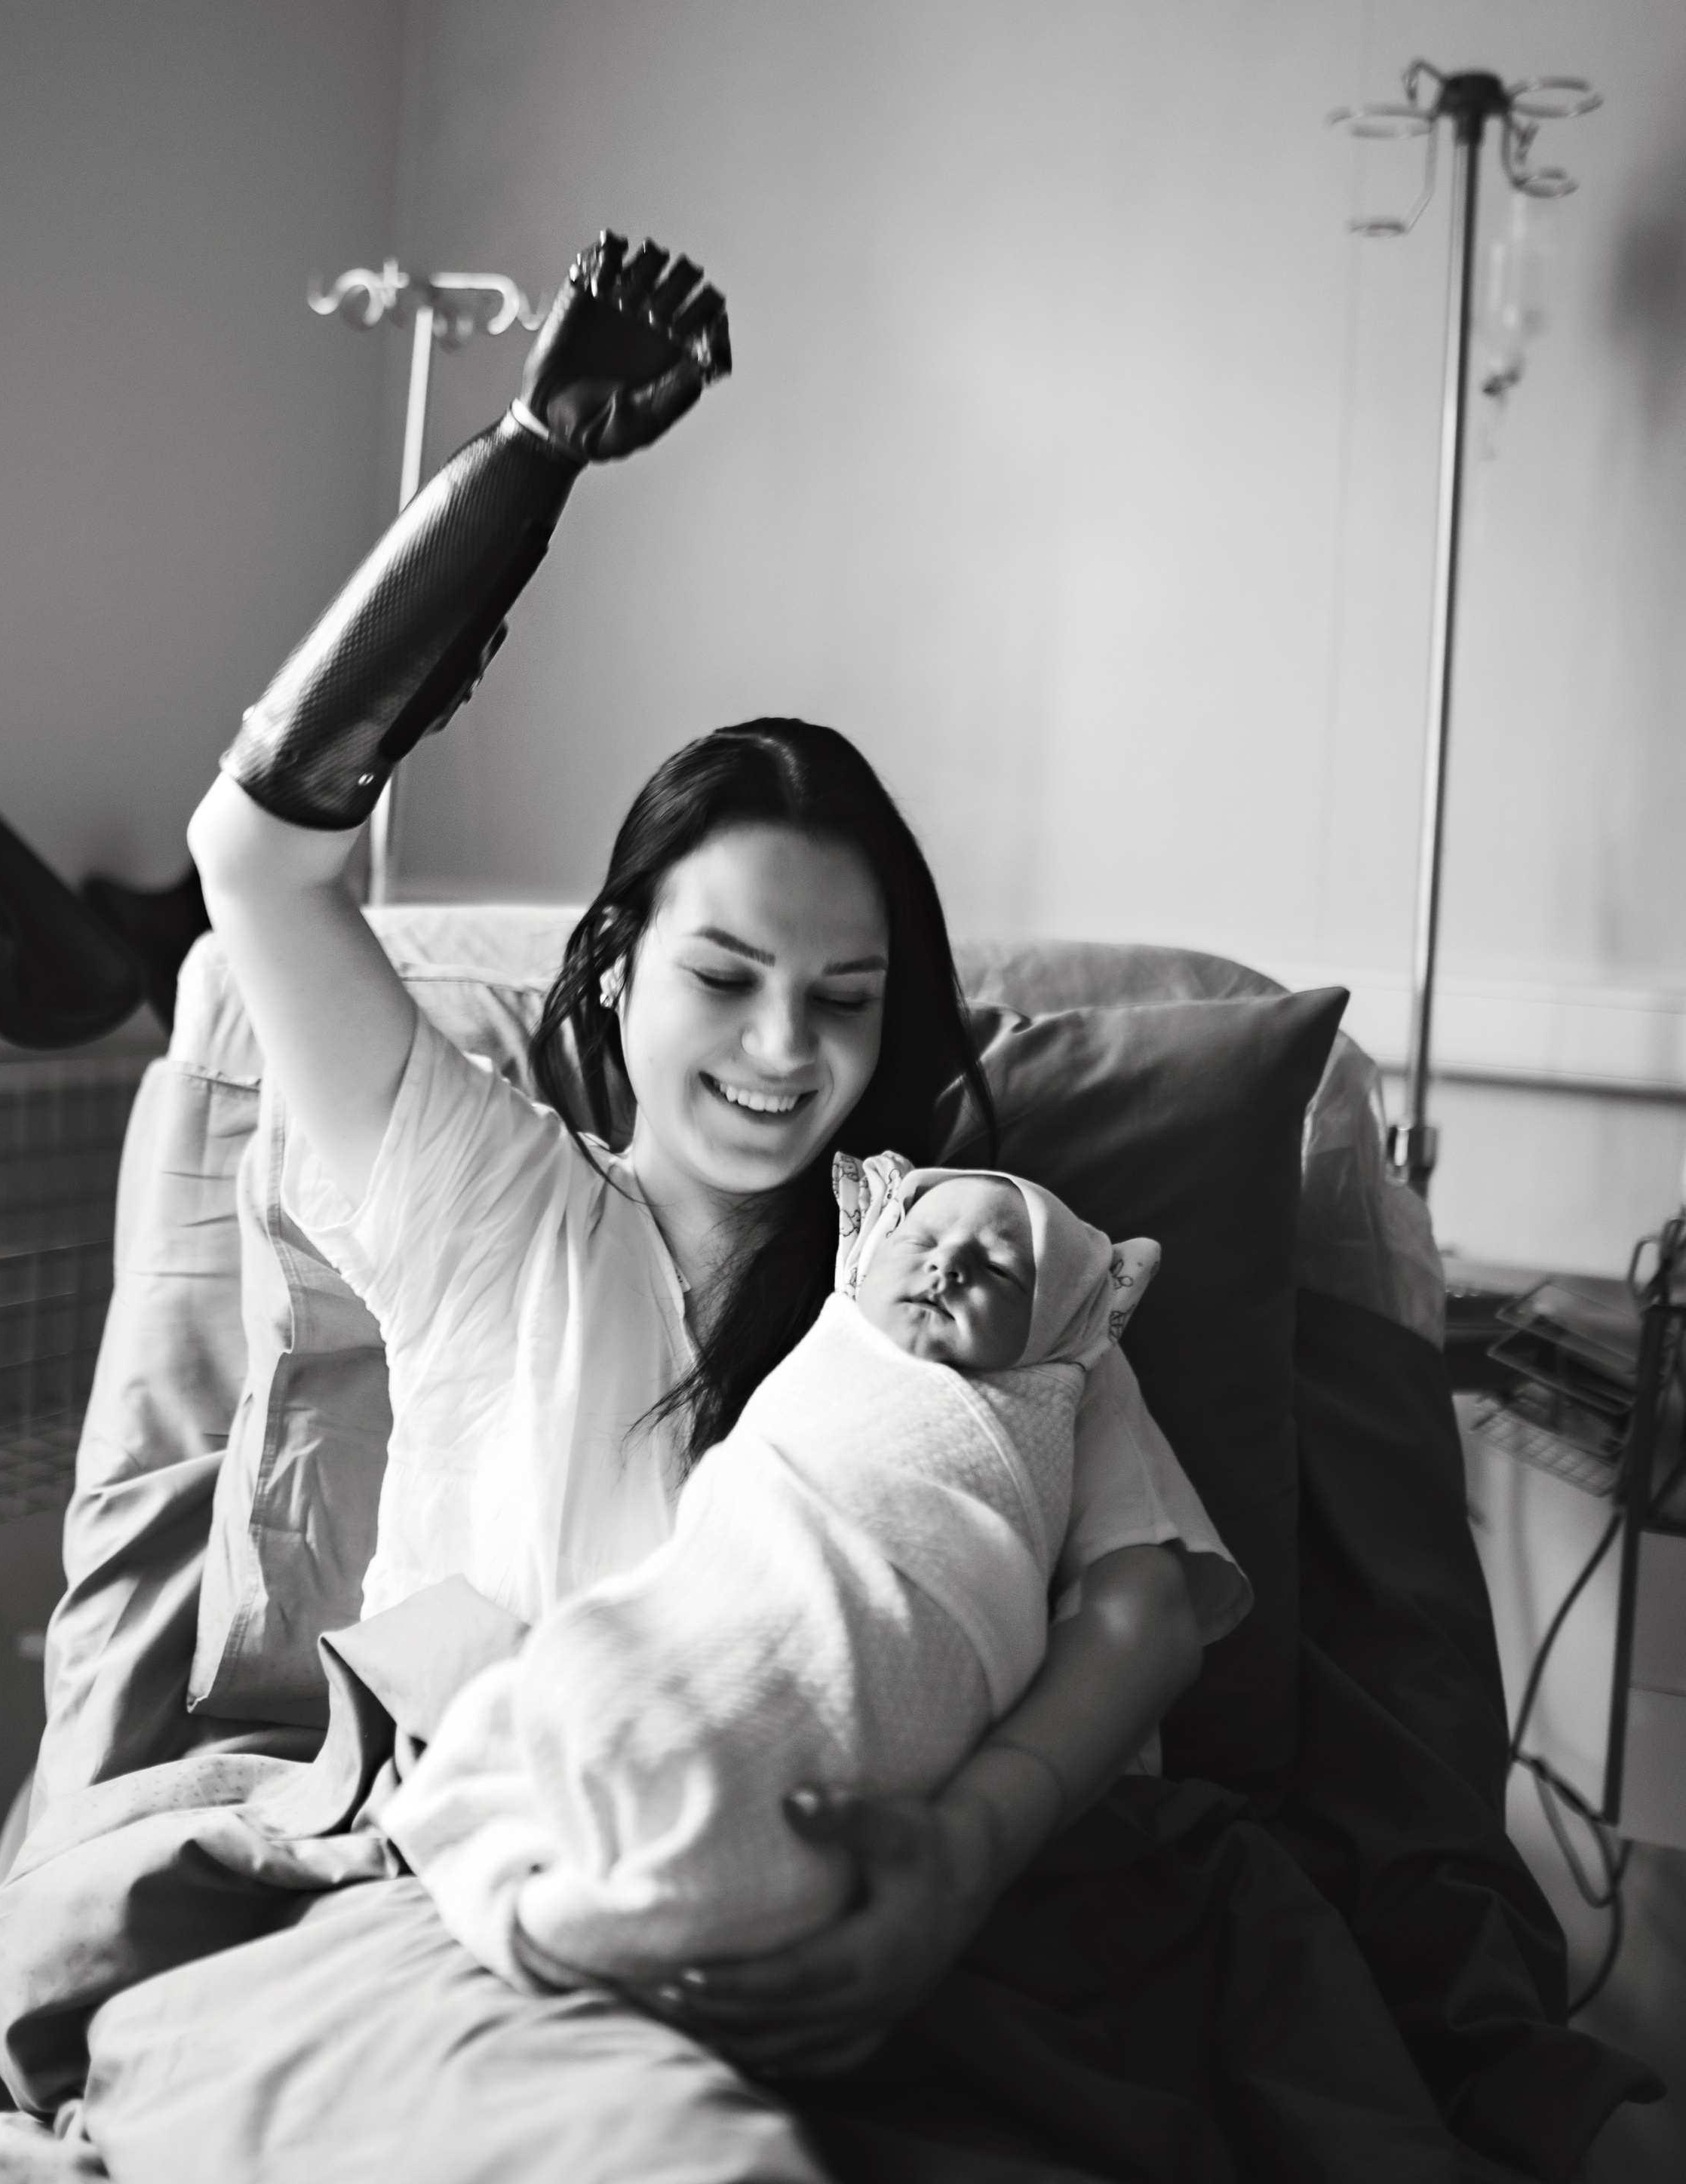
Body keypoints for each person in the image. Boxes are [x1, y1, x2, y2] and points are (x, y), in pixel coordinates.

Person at [189, 227, 1229, 2072]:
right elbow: (253, 855)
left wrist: (962, 1854)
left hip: (918, 1927)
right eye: (726, 975)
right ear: (613, 965)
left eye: (841, 995)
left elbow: (1139, 1598)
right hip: (510, 1937)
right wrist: (531, 454)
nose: (781, 1050)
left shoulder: (963, 1272)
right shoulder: (487, 1203)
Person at [381, 1156, 1236, 1992]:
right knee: (575, 1684)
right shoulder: (529, 1186)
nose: (947, 1263)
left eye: (1000, 1270)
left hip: (886, 1718)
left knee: (726, 1763)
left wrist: (969, 1842)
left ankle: (632, 1897)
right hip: (674, 1632)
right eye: (926, 1239)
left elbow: (1144, 1622)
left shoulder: (1065, 1375)